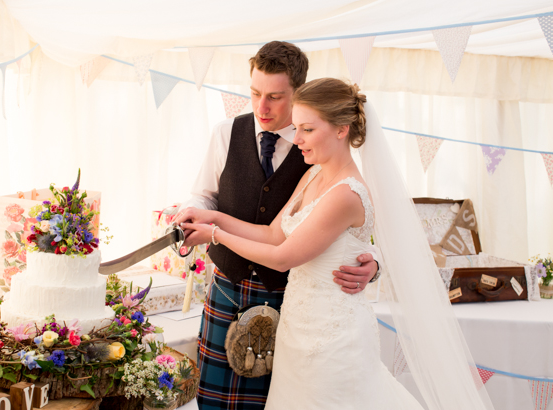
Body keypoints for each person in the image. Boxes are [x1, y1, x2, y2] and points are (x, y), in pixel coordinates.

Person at [177, 78, 495, 410]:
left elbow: (281, 257)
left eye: (307, 130)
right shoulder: (314, 173)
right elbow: (273, 233)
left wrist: (214, 236)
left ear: (341, 129)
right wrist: (212, 218)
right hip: (297, 332)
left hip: (332, 340)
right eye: (297, 128)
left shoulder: (346, 193)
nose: (297, 138)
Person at [178, 42, 380, 410]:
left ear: (297, 93)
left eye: (275, 96)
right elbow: (206, 198)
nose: (261, 107)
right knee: (214, 403)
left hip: (293, 303)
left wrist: (374, 264)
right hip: (229, 290)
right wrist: (200, 215)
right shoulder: (226, 133)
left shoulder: (318, 150)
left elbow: (361, 228)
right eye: (254, 93)